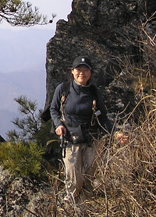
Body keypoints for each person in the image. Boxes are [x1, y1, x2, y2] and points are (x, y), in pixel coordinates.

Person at [49, 56, 126, 202]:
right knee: (74, 181)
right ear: (72, 71)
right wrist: (58, 125)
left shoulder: (94, 92)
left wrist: (115, 133)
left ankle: (85, 211)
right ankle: (71, 212)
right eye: (78, 69)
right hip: (70, 140)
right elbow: (53, 109)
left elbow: (102, 117)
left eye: (85, 70)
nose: (81, 73)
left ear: (90, 73)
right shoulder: (63, 89)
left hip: (91, 140)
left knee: (89, 180)